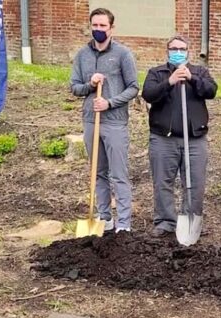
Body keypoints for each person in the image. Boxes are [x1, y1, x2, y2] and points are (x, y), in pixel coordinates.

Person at [70, 8, 139, 233]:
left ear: (111, 28)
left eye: (103, 26)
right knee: (97, 172)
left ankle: (124, 224)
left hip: (115, 122)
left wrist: (109, 102)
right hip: (91, 121)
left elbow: (133, 88)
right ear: (90, 26)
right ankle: (104, 218)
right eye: (95, 26)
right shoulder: (82, 55)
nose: (98, 30)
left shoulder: (122, 54)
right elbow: (75, 88)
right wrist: (90, 85)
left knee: (118, 173)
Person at [141, 35, 217, 237]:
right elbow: (148, 94)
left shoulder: (199, 71)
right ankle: (165, 221)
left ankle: (190, 221)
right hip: (163, 138)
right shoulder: (157, 73)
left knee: (195, 182)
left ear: (188, 51)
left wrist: (191, 79)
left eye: (182, 49)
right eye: (174, 49)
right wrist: (170, 81)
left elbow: (211, 90)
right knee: (162, 181)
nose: (178, 52)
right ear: (167, 51)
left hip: (194, 138)